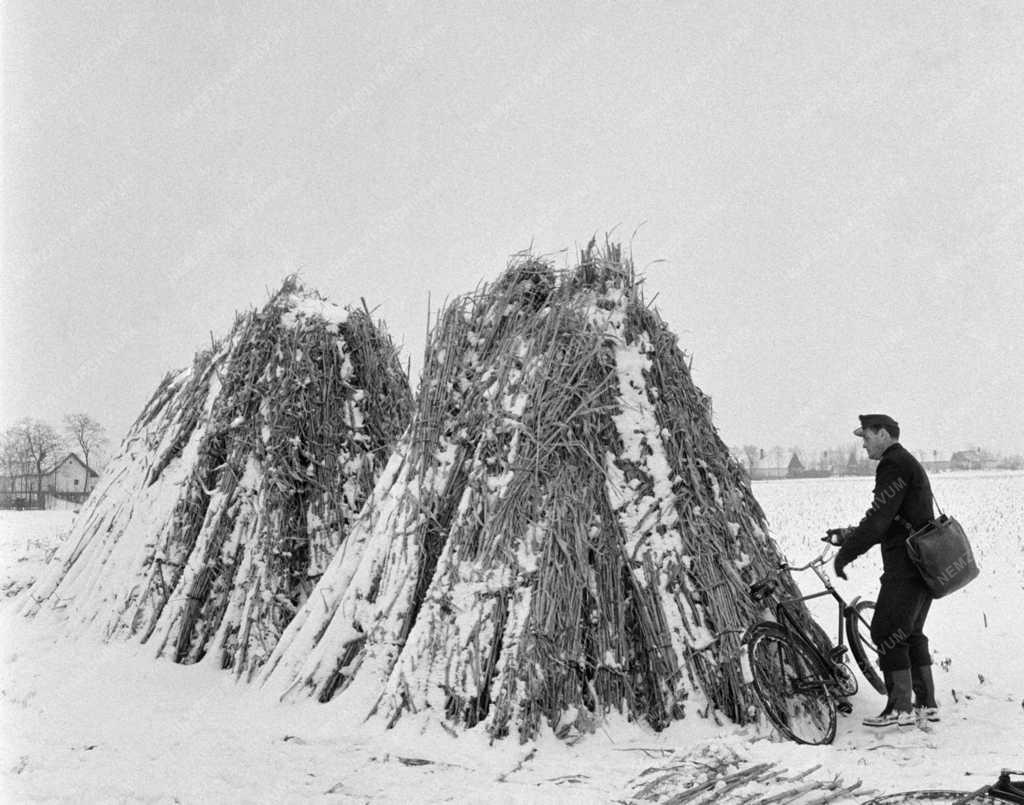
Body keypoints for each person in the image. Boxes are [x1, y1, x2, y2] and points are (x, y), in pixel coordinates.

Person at [830, 414, 940, 729]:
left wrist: (845, 555)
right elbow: (892, 517)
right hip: (922, 564)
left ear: (882, 434)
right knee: (909, 632)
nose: (863, 444)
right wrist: (847, 533)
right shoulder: (906, 463)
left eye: (865, 436)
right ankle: (926, 704)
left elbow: (879, 521)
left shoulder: (892, 464)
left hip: (905, 565)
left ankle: (899, 708)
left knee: (886, 630)